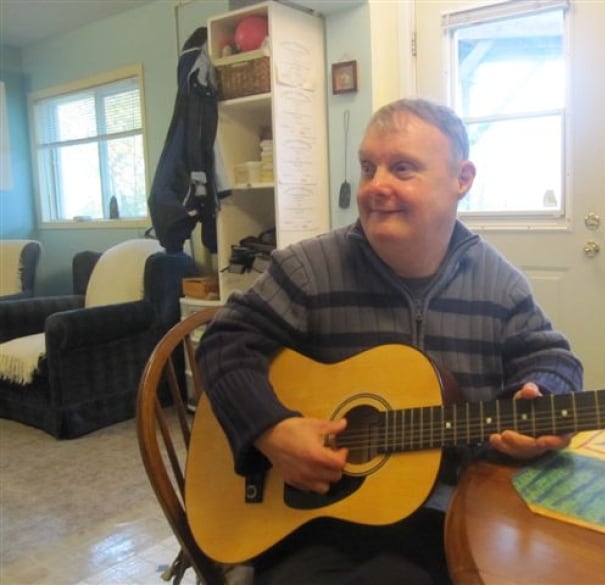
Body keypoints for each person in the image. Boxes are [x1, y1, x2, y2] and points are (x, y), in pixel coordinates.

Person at [196, 98, 583, 585]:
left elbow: (553, 358)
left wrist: (542, 397)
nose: (376, 186)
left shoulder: (498, 283)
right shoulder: (308, 269)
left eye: (402, 168)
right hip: (315, 517)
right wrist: (269, 431)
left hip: (451, 510)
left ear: (462, 179)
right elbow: (223, 343)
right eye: (367, 167)